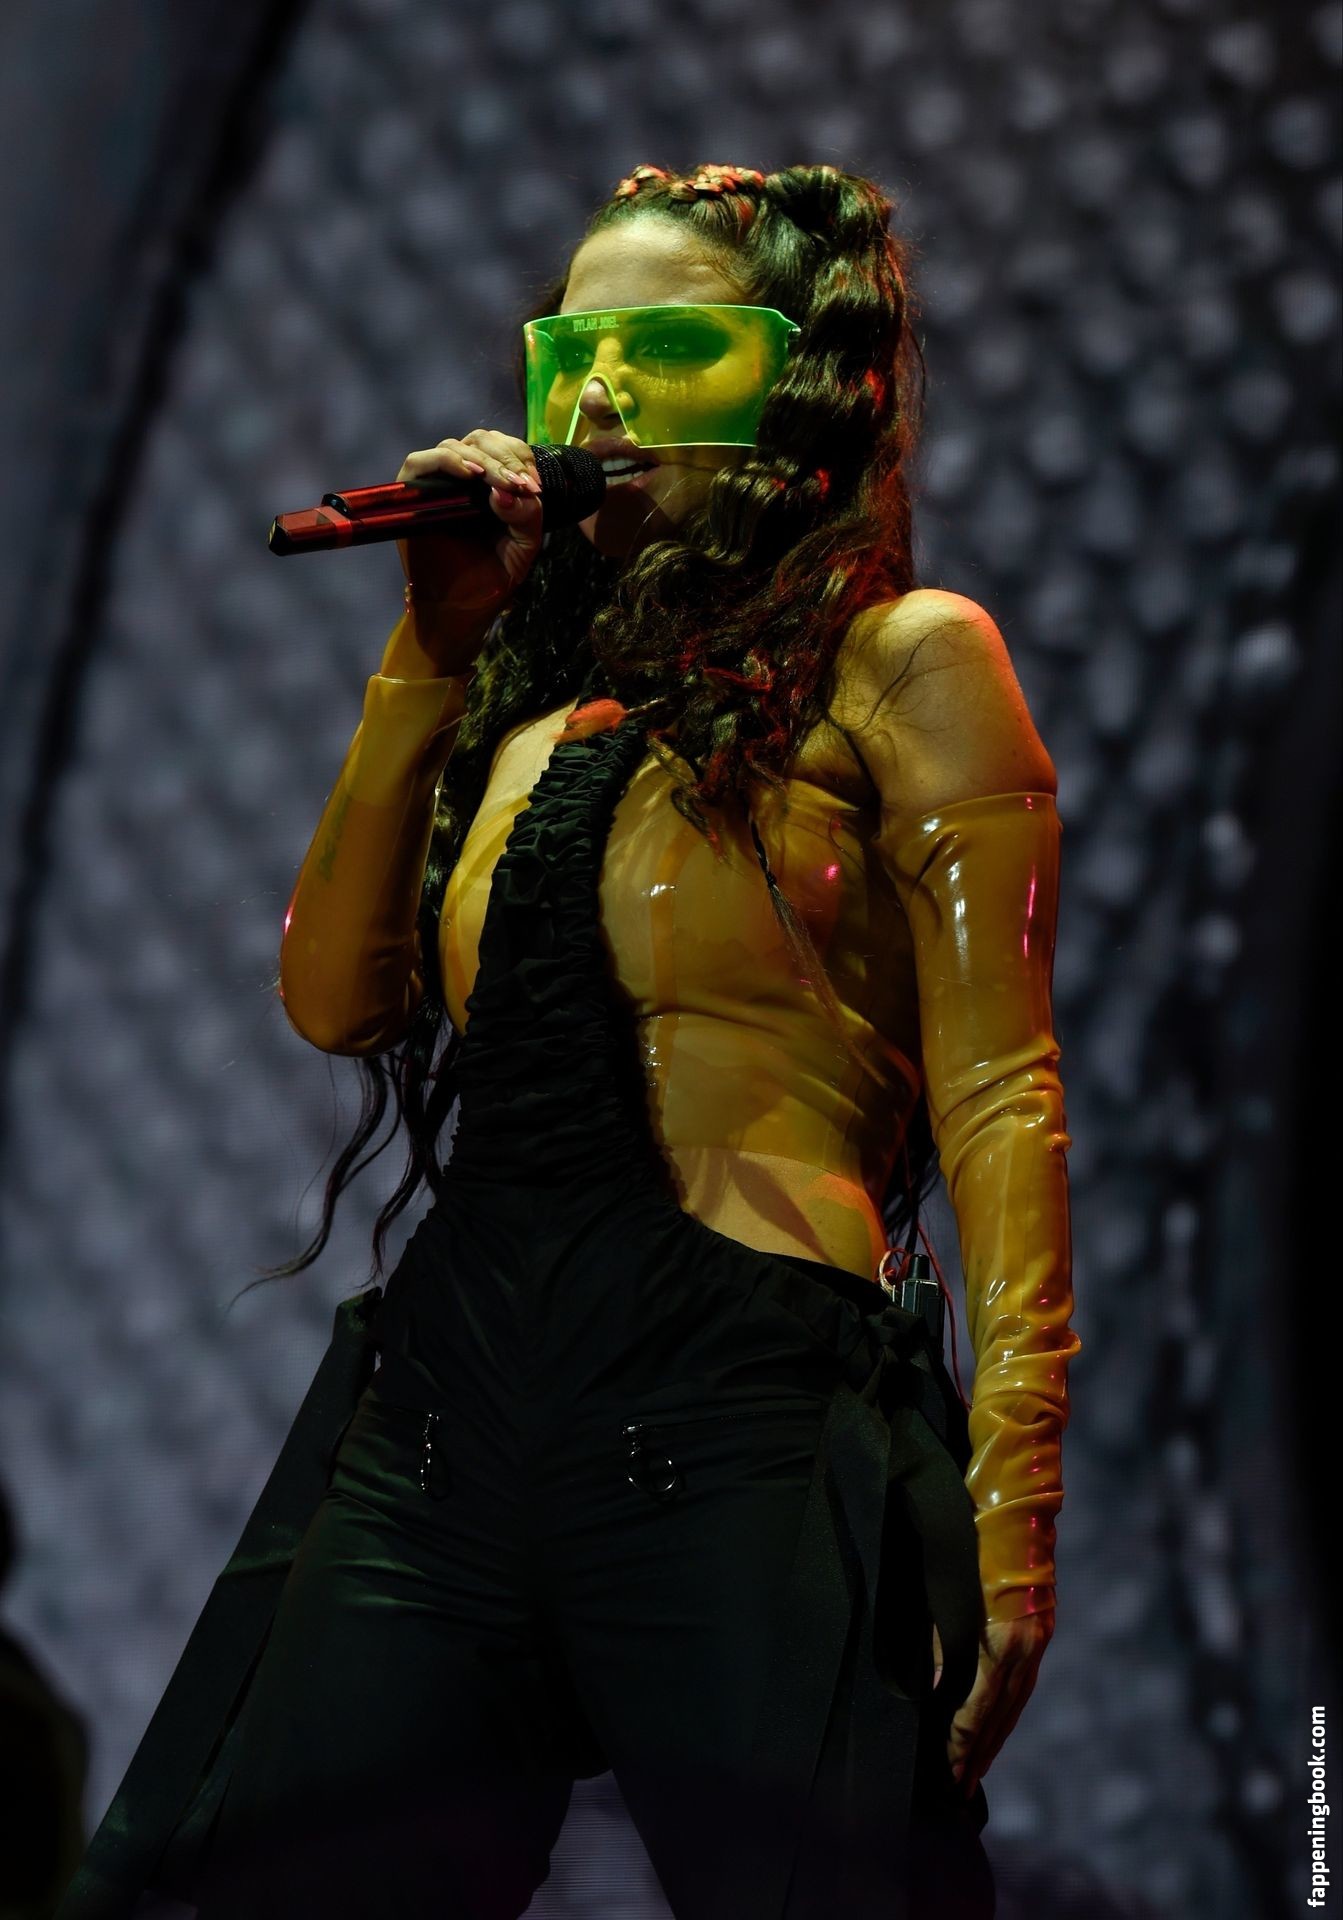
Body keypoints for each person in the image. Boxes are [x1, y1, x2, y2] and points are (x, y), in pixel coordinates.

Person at [60, 161, 1079, 1920]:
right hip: (453, 1409)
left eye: (663, 349)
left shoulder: (902, 662)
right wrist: (432, 650)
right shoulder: (527, 710)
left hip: (736, 1403)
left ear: (796, 385)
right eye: (569, 354)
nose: (597, 399)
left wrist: (1017, 1484)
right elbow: (337, 999)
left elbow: (1003, 1088)